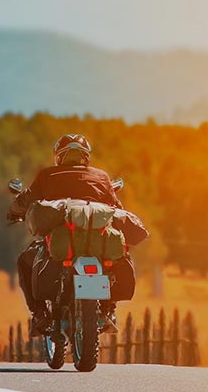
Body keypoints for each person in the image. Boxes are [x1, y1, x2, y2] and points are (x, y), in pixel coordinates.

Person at [8, 133, 123, 335]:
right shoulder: (102, 177)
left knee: (24, 261)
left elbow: (26, 200)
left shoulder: (47, 175)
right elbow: (116, 208)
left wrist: (14, 210)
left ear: (59, 156)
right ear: (86, 156)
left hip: (62, 242)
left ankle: (40, 315)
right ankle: (109, 310)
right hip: (97, 242)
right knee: (120, 256)